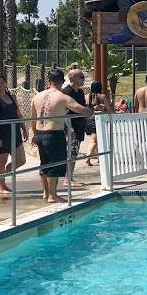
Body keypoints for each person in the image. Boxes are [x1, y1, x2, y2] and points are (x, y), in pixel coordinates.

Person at [29, 68, 93, 203]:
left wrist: (34, 134)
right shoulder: (63, 97)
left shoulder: (37, 97)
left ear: (49, 81)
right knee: (56, 164)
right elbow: (81, 110)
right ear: (62, 81)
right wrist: (91, 111)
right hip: (54, 134)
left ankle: (46, 193)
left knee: (44, 164)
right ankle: (53, 195)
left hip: (40, 134)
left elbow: (32, 119)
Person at [0, 72, 28, 199]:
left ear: (5, 83)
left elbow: (18, 115)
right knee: (0, 163)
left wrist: (24, 129)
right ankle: (2, 187)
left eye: (2, 82)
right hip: (2, 136)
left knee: (21, 160)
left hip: (15, 133)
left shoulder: (12, 97)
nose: (0, 85)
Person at [61, 68, 88, 187]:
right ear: (72, 78)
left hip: (79, 126)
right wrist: (70, 129)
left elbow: (82, 109)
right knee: (70, 153)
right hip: (70, 128)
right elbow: (65, 112)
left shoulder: (80, 92)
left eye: (83, 77)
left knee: (74, 152)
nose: (83, 79)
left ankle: (70, 177)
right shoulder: (67, 92)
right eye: (80, 77)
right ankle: (67, 179)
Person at [85, 81, 109, 166]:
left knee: (97, 140)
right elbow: (109, 110)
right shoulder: (102, 96)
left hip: (87, 120)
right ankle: (87, 158)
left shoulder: (86, 96)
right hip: (97, 120)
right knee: (93, 141)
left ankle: (99, 158)